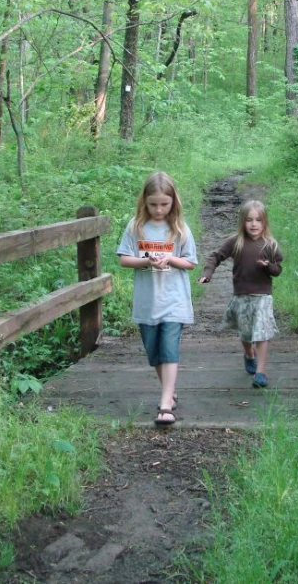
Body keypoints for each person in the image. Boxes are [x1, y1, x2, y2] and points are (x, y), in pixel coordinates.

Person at [117, 171, 197, 426]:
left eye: (165, 204)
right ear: (144, 201)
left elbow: (190, 262)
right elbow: (123, 259)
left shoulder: (180, 229)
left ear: (174, 201)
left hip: (174, 300)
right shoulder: (135, 227)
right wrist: (145, 261)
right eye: (153, 204)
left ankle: (165, 405)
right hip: (147, 301)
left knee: (169, 349)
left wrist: (171, 259)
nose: (159, 209)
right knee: (154, 352)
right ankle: (169, 391)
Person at [198, 200, 282, 388]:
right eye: (249, 220)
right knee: (246, 333)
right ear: (242, 222)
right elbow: (215, 256)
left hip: (263, 296)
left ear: (265, 222)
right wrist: (207, 274)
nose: (254, 224)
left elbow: (277, 270)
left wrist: (268, 266)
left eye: (258, 220)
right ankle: (249, 353)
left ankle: (260, 372)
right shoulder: (235, 241)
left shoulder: (270, 245)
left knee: (262, 332)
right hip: (241, 294)